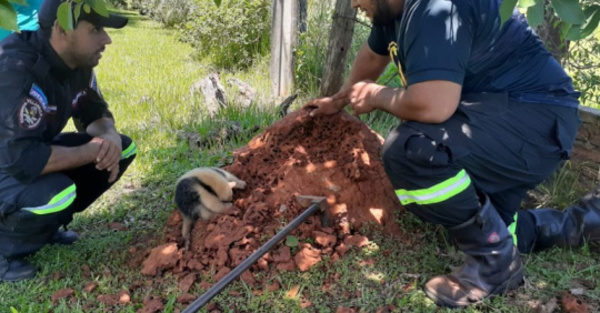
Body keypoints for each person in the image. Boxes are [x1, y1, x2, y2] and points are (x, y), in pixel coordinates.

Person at [306, 0, 599, 308]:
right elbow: (371, 57)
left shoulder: (435, 8)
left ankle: (494, 266)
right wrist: (338, 100)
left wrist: (377, 95)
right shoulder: (392, 13)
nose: (353, 4)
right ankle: (584, 222)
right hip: (508, 117)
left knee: (413, 149)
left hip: (532, 122)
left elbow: (433, 105)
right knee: (497, 227)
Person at [0, 0, 137, 282]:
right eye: (96, 29)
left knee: (122, 148)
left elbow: (93, 112)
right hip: (10, 161)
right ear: (63, 29)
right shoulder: (15, 68)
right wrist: (92, 150)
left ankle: (45, 228)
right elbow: (22, 160)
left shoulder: (77, 63)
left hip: (22, 156)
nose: (107, 39)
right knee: (55, 193)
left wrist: (108, 136)